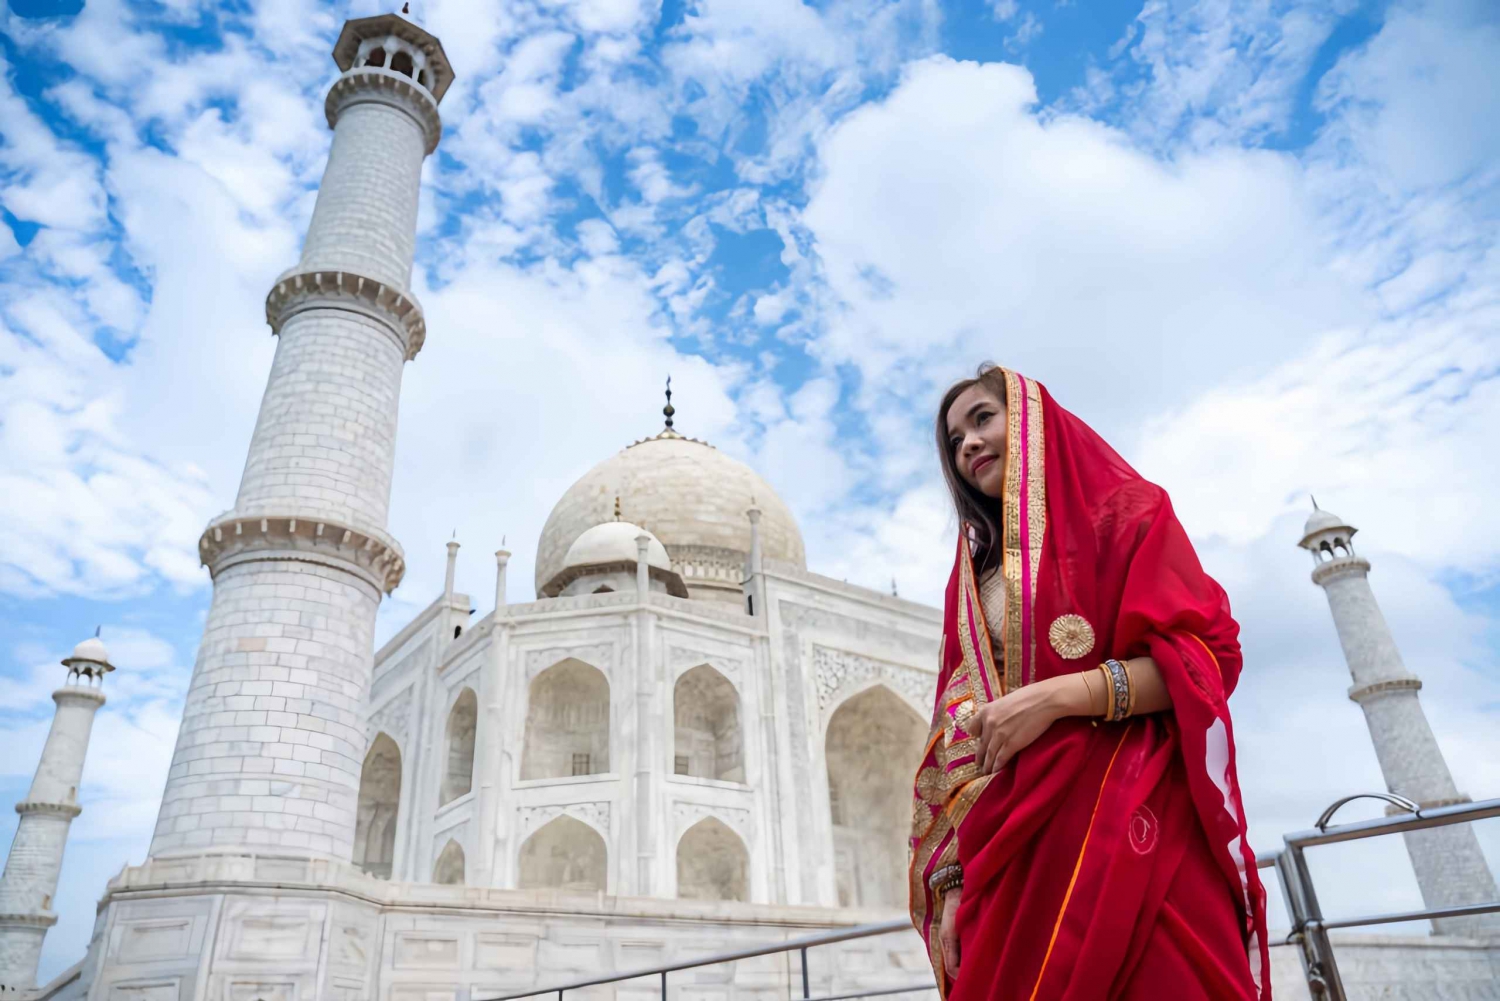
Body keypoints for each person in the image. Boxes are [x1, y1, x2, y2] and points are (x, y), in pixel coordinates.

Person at [909, 365, 1270, 1000]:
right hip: (1014, 842)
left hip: (1134, 813)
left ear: (1029, 418)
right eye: (953, 440)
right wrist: (950, 881)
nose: (966, 444)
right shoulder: (972, 578)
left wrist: (1055, 698)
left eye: (982, 418)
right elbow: (959, 733)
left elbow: (1210, 660)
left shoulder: (1129, 512)